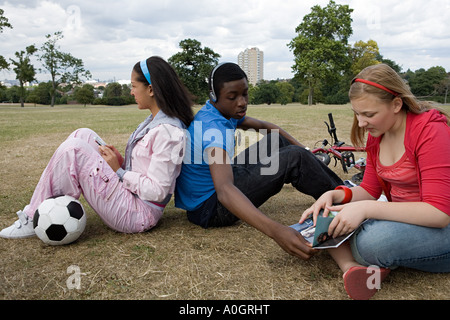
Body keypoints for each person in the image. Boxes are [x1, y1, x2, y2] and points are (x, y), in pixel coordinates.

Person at [300, 63, 450, 300]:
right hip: (401, 220)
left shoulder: (431, 132)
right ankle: (351, 268)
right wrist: (334, 196)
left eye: (369, 115)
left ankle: (366, 257)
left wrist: (365, 209)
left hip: (439, 226)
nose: (361, 123)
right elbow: (370, 189)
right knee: (323, 218)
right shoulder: (377, 135)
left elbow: (439, 213)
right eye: (357, 113)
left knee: (373, 243)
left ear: (396, 104)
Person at [0, 56, 194, 238]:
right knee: (82, 134)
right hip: (130, 197)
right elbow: (146, 167)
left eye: (134, 86)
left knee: (74, 149)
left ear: (151, 89)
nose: (131, 92)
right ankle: (50, 211)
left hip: (138, 213)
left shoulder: (168, 132)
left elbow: (158, 190)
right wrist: (122, 163)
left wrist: (119, 172)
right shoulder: (154, 121)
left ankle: (33, 216)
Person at [175, 62, 343, 260]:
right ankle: (346, 201)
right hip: (210, 208)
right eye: (232, 97)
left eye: (244, 94)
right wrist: (277, 231)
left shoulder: (219, 111)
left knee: (278, 141)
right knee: (294, 158)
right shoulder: (214, 131)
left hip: (207, 195)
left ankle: (336, 191)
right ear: (214, 96)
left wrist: (308, 151)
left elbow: (265, 126)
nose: (242, 102)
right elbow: (225, 190)